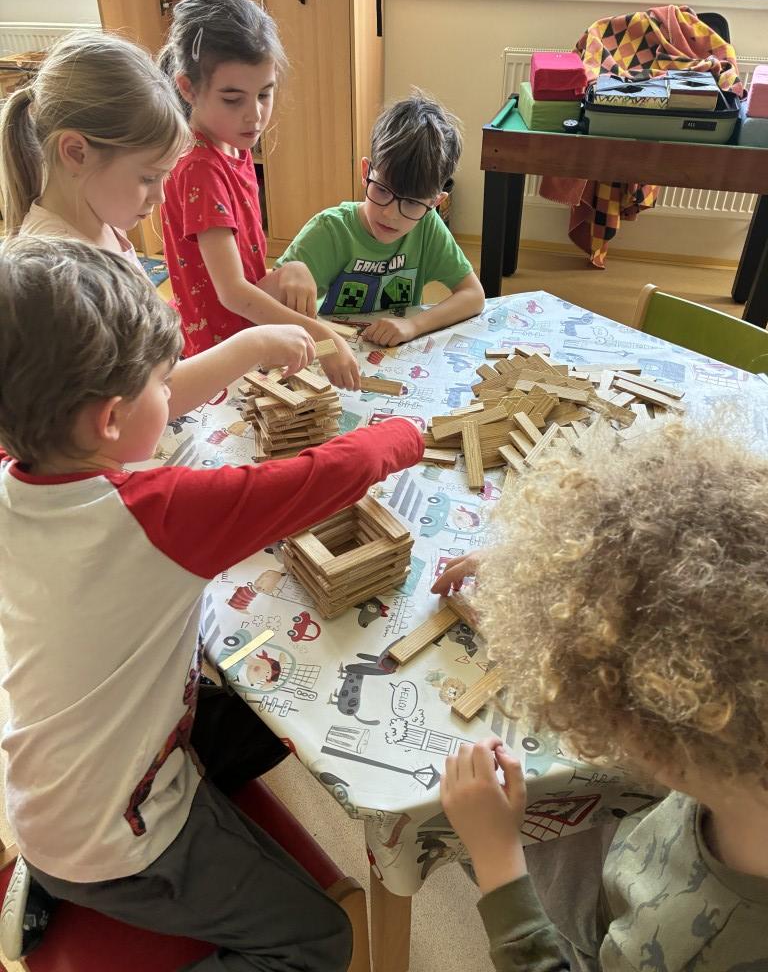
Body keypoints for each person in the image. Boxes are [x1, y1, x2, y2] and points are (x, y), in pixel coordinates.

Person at [0, 237, 424, 969]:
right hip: (116, 837)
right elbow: (320, 477)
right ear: (109, 420)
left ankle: (52, 872)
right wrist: (406, 434)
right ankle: (71, 880)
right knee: (322, 941)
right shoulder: (153, 515)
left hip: (52, 788)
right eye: (163, 384)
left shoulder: (17, 479)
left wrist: (249, 347)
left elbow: (149, 418)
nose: (173, 396)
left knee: (274, 716)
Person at [433, 420, 768, 971]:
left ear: (656, 745)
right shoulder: (735, 748)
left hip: (613, 935)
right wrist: (583, 585)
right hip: (642, 856)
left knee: (472, 826)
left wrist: (497, 860)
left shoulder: (687, 950)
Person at [0, 28, 318, 427]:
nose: (161, 197)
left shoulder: (99, 227)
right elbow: (143, 403)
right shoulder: (66, 275)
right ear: (76, 153)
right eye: (148, 177)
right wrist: (254, 344)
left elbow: (143, 356)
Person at [158, 0, 360, 390]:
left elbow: (242, 276)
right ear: (188, 88)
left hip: (245, 332)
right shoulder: (200, 169)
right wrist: (324, 337)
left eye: (265, 94)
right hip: (223, 354)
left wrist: (286, 272)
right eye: (233, 99)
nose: (254, 115)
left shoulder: (233, 145)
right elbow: (232, 293)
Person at [274, 91, 486, 348]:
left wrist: (413, 325)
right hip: (332, 351)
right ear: (366, 172)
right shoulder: (330, 230)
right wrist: (289, 274)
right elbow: (265, 303)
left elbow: (473, 295)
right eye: (383, 190)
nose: (390, 214)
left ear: (435, 202)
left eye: (411, 203)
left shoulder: (427, 226)